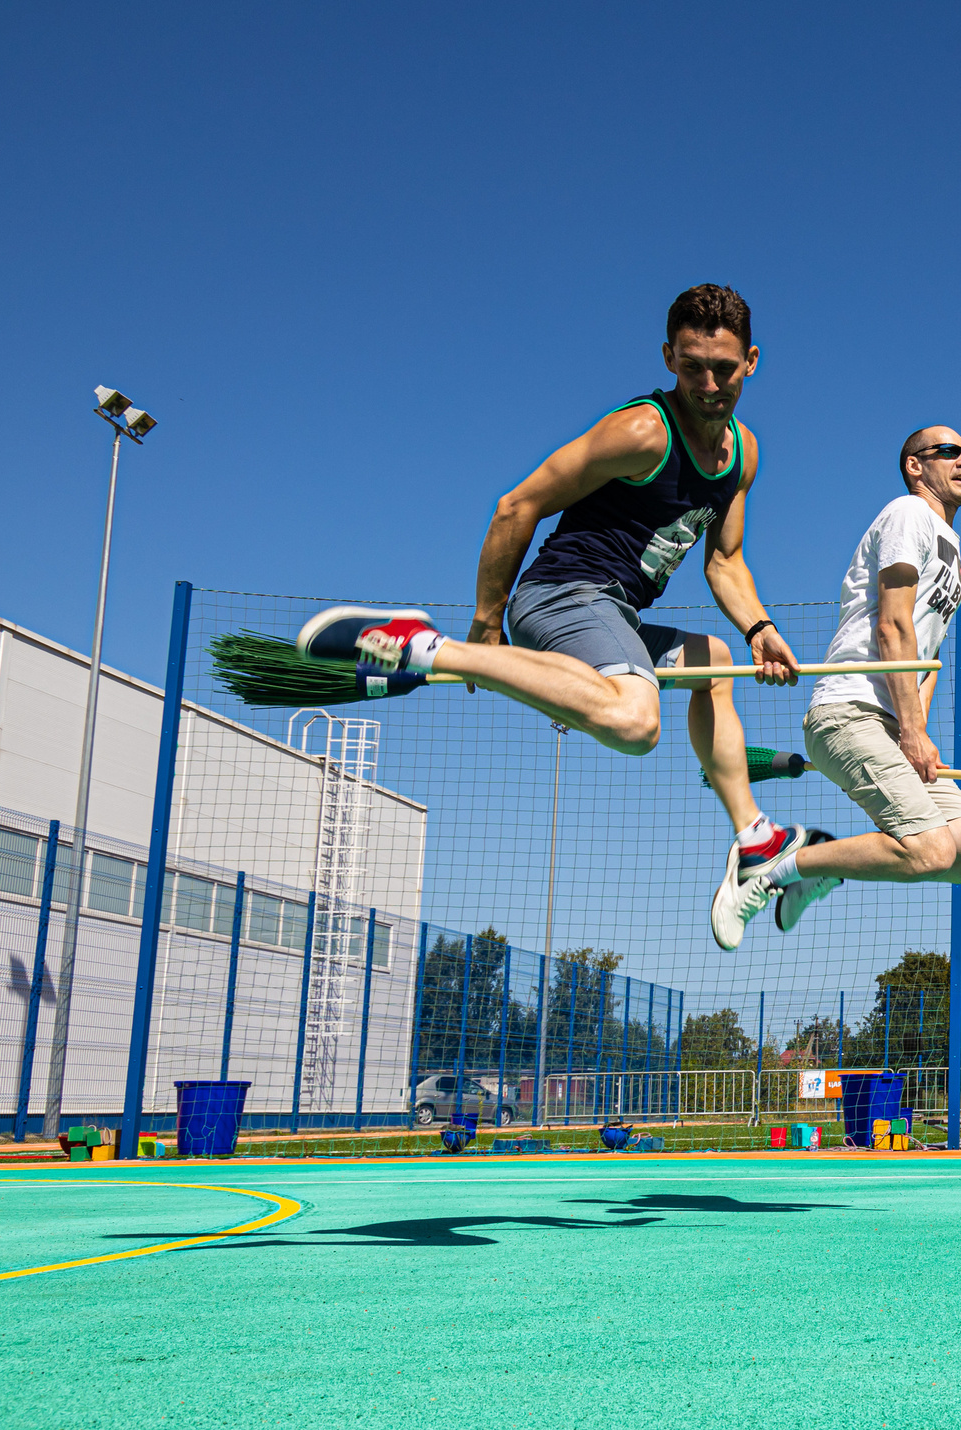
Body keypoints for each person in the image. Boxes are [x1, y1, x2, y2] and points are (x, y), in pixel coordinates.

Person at [292, 284, 812, 952]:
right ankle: (421, 645)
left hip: (614, 612)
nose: (709, 384)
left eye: (724, 369)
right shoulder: (642, 432)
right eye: (691, 367)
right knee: (636, 721)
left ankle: (752, 843)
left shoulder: (742, 453)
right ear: (667, 360)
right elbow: (519, 504)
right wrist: (485, 625)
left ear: (752, 362)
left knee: (714, 662)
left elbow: (726, 562)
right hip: (560, 596)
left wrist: (760, 630)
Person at [727, 426, 961, 935]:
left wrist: (917, 730)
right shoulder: (908, 514)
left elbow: (929, 655)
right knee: (933, 849)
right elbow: (892, 626)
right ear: (915, 466)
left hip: (894, 723)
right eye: (947, 451)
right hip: (848, 711)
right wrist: (912, 731)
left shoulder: (954, 552)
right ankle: (778, 863)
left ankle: (815, 860)